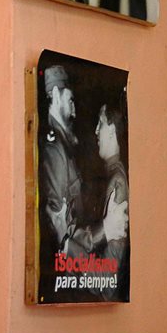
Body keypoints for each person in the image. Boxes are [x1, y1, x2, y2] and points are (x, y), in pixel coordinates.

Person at [39, 66, 128, 269]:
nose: (74, 108)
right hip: (71, 266)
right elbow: (60, 229)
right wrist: (103, 230)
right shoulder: (55, 150)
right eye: (70, 100)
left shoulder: (65, 147)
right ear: (55, 95)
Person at [93, 103, 129, 301]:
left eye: (100, 123)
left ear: (112, 130)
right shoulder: (112, 176)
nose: (96, 131)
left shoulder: (117, 181)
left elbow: (113, 259)